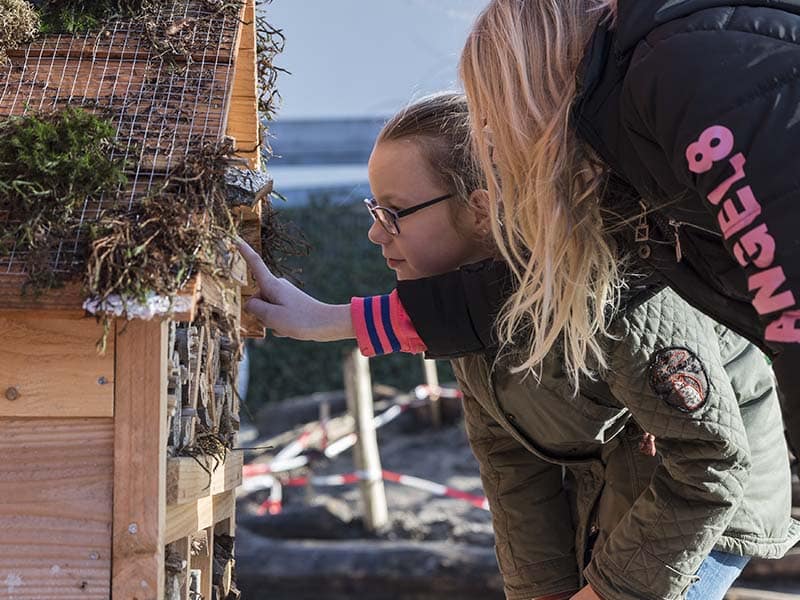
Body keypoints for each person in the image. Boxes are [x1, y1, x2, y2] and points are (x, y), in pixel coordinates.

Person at [238, 93, 800, 600]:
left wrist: (612, 593)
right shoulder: (460, 310)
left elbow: (711, 462)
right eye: (372, 210)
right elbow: (511, 466)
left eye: (394, 212)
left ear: (480, 210)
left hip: (708, 502)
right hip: (622, 492)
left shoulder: (615, 294)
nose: (375, 232)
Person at [386, 0, 800, 452]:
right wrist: (346, 321)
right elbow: (532, 290)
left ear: (526, 86)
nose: (495, 146)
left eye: (493, 118)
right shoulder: (626, 152)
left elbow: (789, 283)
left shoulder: (683, 74)